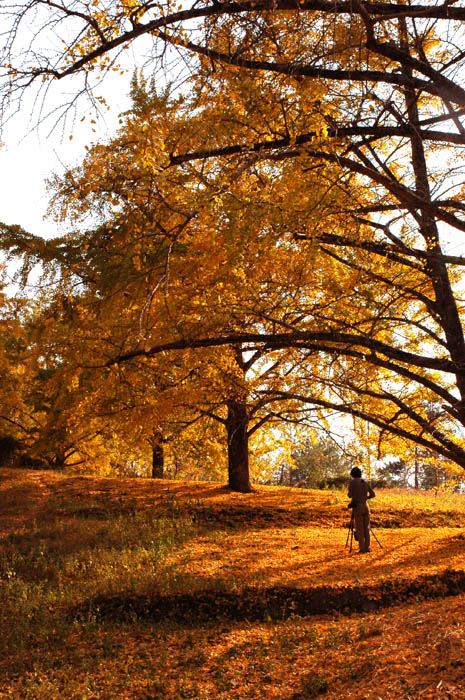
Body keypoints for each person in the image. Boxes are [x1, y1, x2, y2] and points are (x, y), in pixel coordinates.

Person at [347, 467, 376, 554]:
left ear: (352, 474)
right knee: (366, 527)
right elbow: (373, 494)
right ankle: (368, 547)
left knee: (359, 528)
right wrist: (365, 498)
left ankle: (362, 548)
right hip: (366, 506)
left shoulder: (352, 482)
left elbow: (349, 495)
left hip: (358, 507)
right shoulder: (365, 482)